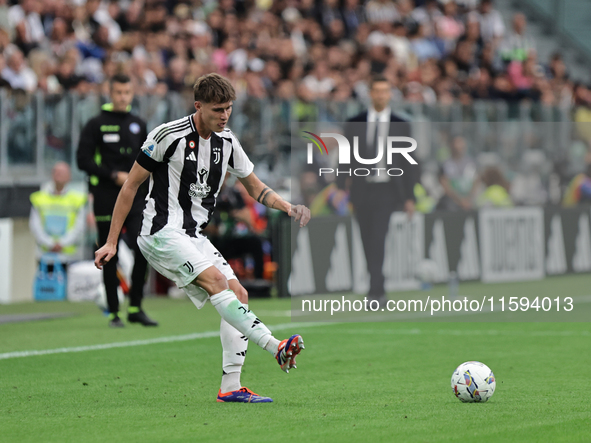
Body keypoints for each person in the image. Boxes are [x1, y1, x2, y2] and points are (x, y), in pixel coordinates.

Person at [94, 73, 311, 403]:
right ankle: (275, 346)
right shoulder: (168, 135)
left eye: (229, 109)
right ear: (198, 106)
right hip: (160, 232)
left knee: (238, 292)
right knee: (217, 282)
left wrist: (287, 206)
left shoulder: (228, 142)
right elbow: (130, 186)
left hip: (194, 235)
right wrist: (111, 241)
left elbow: (255, 187)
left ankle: (231, 387)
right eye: (217, 110)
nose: (224, 116)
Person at [77, 73, 157, 328]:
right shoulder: (96, 124)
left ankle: (135, 306)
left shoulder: (138, 123)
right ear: (110, 93)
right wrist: (113, 176)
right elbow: (83, 160)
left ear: (132, 94)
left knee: (143, 246)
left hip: (134, 197)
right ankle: (113, 311)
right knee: (107, 252)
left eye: (127, 93)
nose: (123, 97)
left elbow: (149, 160)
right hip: (105, 197)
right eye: (118, 93)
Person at [337, 75, 418, 307]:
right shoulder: (355, 122)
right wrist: (341, 186)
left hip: (387, 189)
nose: (381, 95)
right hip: (363, 189)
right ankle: (376, 286)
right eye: (377, 91)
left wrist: (410, 197)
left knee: (378, 237)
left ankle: (376, 290)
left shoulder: (401, 124)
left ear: (390, 94)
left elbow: (408, 162)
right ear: (371, 94)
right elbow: (345, 156)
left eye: (385, 91)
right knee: (366, 238)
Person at [29, 162, 87, 270]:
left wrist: (62, 243)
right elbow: (35, 225)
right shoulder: (39, 198)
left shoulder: (77, 200)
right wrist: (50, 243)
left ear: (69, 176)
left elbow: (80, 226)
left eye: (62, 173)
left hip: (69, 257)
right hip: (44, 256)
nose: (59, 175)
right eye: (57, 172)